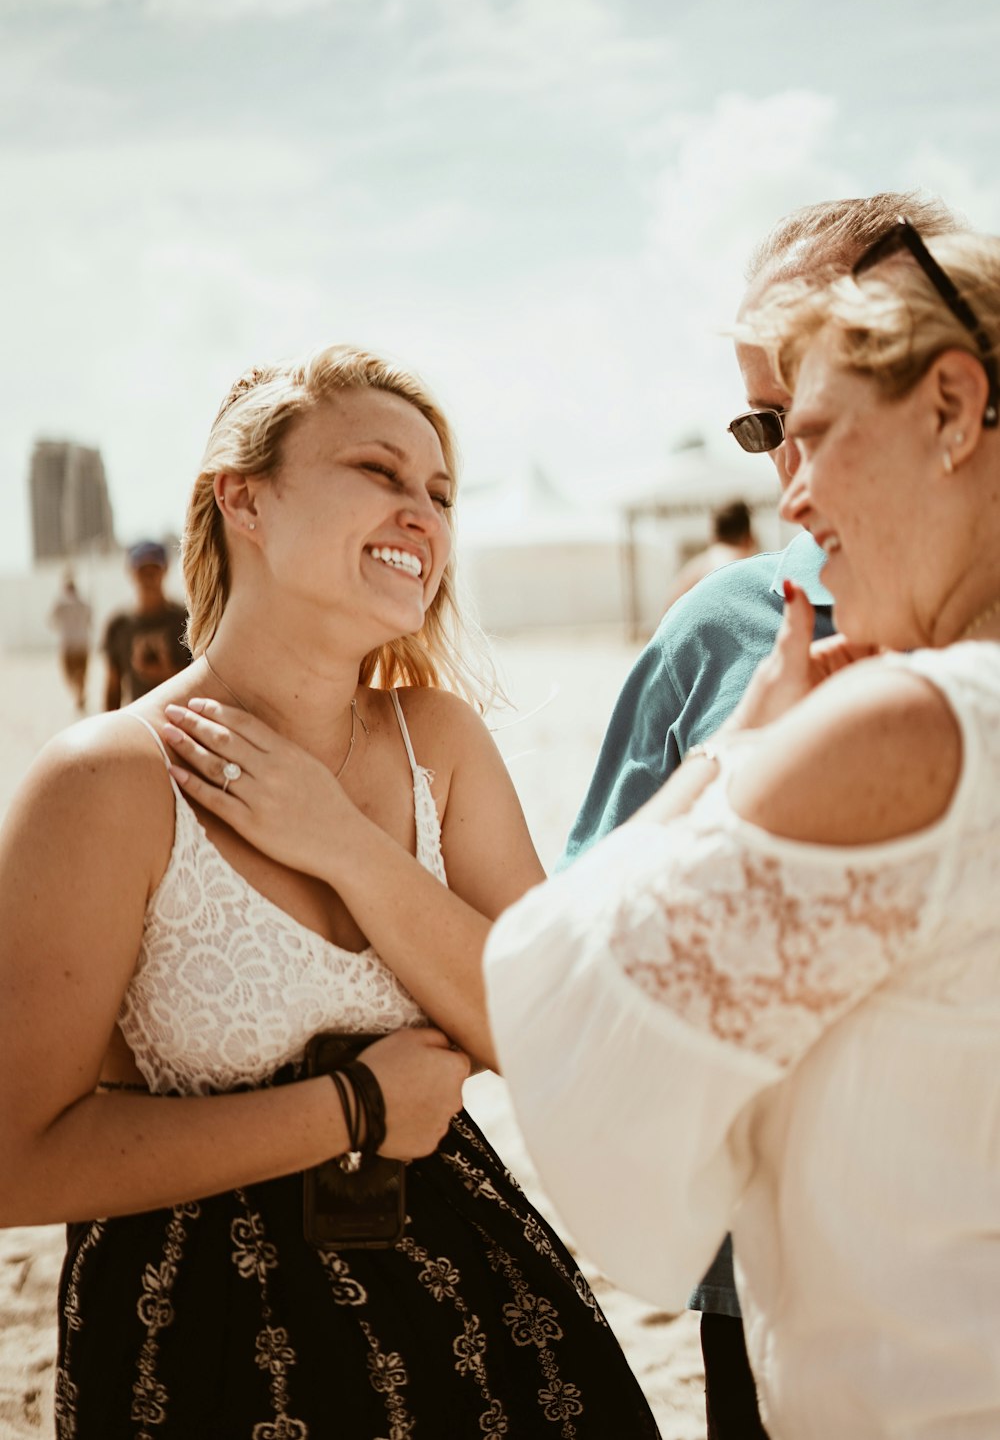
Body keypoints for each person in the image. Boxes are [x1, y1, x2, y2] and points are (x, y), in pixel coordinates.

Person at [0, 345, 658, 1438]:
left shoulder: (438, 742)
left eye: (440, 493)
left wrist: (343, 845)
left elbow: (547, 1030)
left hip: (469, 1304)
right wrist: (349, 1108)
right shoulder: (105, 780)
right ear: (243, 499)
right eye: (378, 471)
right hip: (201, 1336)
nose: (422, 515)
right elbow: (14, 1158)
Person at [485, 222, 1000, 1439]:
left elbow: (562, 1012)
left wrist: (740, 749)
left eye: (811, 432)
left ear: (951, 407)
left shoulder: (910, 728)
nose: (793, 493)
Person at [103, 539, 191, 710]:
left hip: (182, 717)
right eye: (143, 570)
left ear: (165, 569)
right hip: (139, 718)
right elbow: (113, 687)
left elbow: (204, 678)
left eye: (154, 569)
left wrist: (167, 673)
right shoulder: (119, 625)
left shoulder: (187, 619)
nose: (149, 576)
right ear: (131, 572)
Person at [661, 499, 760, 615]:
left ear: (714, 535)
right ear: (749, 537)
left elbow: (666, 615)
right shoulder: (746, 568)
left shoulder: (691, 572)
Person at [49, 570, 92, 712]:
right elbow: (89, 621)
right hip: (82, 643)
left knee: (68, 674)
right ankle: (80, 694)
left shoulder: (61, 603)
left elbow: (52, 621)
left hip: (68, 644)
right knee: (81, 673)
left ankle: (78, 695)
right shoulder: (84, 602)